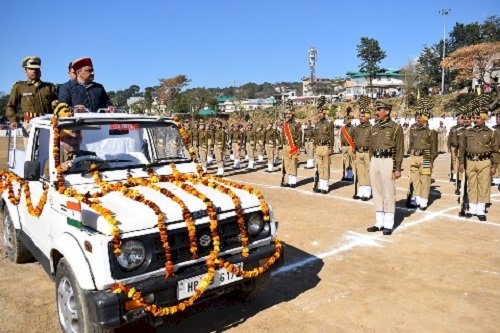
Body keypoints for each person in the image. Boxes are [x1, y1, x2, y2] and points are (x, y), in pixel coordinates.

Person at [366, 101, 404, 235]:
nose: (376, 112)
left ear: (387, 111)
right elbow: (371, 146)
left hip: (388, 160)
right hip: (375, 160)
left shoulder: (396, 128)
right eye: (377, 110)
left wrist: (397, 168)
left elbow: (399, 149)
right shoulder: (374, 127)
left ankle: (388, 224)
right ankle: (379, 223)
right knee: (376, 191)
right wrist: (371, 162)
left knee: (389, 192)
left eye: (379, 109)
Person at [458, 105, 499, 221]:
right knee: (472, 185)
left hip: (484, 161)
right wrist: (461, 162)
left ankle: (481, 209)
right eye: (474, 118)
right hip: (470, 161)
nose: (475, 120)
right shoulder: (467, 131)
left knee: (483, 185)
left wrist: (494, 165)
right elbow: (462, 148)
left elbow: (495, 150)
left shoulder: (491, 133)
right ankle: (472, 208)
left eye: (478, 118)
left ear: (484, 118)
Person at [5, 56, 57, 135]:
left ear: (40, 71)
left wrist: (55, 104)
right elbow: (10, 106)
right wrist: (13, 120)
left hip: (47, 123)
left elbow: (57, 105)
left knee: (48, 147)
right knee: (30, 147)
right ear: (25, 71)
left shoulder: (49, 87)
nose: (34, 71)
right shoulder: (19, 87)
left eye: (36, 69)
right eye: (31, 69)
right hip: (29, 125)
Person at [407, 102, 438, 211]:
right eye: (416, 117)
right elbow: (411, 143)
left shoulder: (431, 131)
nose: (417, 119)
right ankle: (417, 198)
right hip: (414, 156)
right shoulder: (413, 128)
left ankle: (423, 201)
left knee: (425, 180)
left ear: (425, 118)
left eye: (419, 117)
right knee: (415, 179)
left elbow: (434, 149)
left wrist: (431, 161)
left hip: (426, 156)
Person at [313, 96, 333, 194]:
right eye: (319, 112)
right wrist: (315, 147)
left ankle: (325, 186)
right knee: (320, 167)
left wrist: (331, 148)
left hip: (325, 147)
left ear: (324, 113)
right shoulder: (316, 124)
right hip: (318, 147)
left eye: (321, 113)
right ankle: (321, 185)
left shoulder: (329, 123)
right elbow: (315, 136)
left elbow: (331, 137)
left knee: (326, 167)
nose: (320, 114)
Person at [352, 103, 372, 201]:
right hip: (359, 152)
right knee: (360, 172)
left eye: (363, 116)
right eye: (360, 116)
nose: (361, 118)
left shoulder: (371, 128)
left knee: (368, 172)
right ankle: (361, 191)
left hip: (367, 152)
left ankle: (367, 192)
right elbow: (355, 139)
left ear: (368, 116)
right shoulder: (357, 128)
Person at [281, 100, 302, 187]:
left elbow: (300, 136)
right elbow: (282, 136)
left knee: (293, 163)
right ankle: (289, 181)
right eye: (287, 113)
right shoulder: (284, 124)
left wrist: (298, 147)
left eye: (289, 113)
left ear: (292, 114)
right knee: (287, 163)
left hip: (293, 146)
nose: (288, 115)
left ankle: (293, 182)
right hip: (286, 146)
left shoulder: (297, 124)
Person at [340, 108, 355, 181]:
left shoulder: (353, 128)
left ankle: (350, 175)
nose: (345, 122)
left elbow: (354, 138)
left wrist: (353, 147)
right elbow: (341, 137)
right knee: (344, 161)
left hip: (350, 146)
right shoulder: (343, 128)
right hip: (344, 146)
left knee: (351, 162)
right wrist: (341, 146)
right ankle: (344, 175)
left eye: (347, 120)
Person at [493, 112, 500, 189]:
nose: (498, 120)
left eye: (499, 119)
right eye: (497, 118)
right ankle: (495, 179)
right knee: (495, 164)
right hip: (495, 150)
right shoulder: (493, 129)